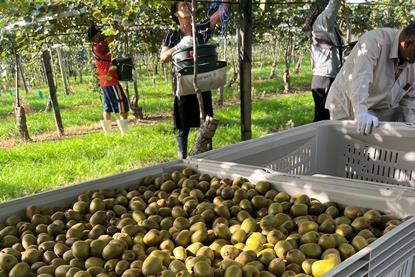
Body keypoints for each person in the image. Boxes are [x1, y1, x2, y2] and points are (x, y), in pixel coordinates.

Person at [160, 0, 229, 159]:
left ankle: (209, 154)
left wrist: (225, 3)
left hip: (202, 81)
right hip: (184, 83)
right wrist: (179, 46)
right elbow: (163, 57)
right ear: (176, 14)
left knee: (206, 120)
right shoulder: (172, 34)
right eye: (183, 5)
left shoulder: (200, 30)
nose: (188, 7)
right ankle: (182, 157)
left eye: (188, 4)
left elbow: (220, 13)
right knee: (183, 124)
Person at [326, 22, 415, 135]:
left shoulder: (411, 61)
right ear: (407, 43)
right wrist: (361, 113)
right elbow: (360, 79)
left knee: (370, 147)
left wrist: (412, 128)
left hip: (377, 109)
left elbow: (410, 100)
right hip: (345, 104)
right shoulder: (374, 41)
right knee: (345, 143)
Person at [88, 24, 129, 135]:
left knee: (107, 107)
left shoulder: (96, 46)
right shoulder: (100, 46)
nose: (102, 34)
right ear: (95, 36)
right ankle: (124, 133)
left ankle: (108, 134)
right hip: (111, 81)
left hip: (104, 82)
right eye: (99, 33)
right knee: (123, 105)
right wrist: (118, 26)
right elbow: (112, 38)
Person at [310, 0, 343, 122]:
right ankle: (317, 140)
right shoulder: (322, 21)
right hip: (324, 78)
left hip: (328, 77)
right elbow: (333, 7)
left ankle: (323, 139)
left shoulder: (330, 28)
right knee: (322, 118)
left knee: (327, 116)